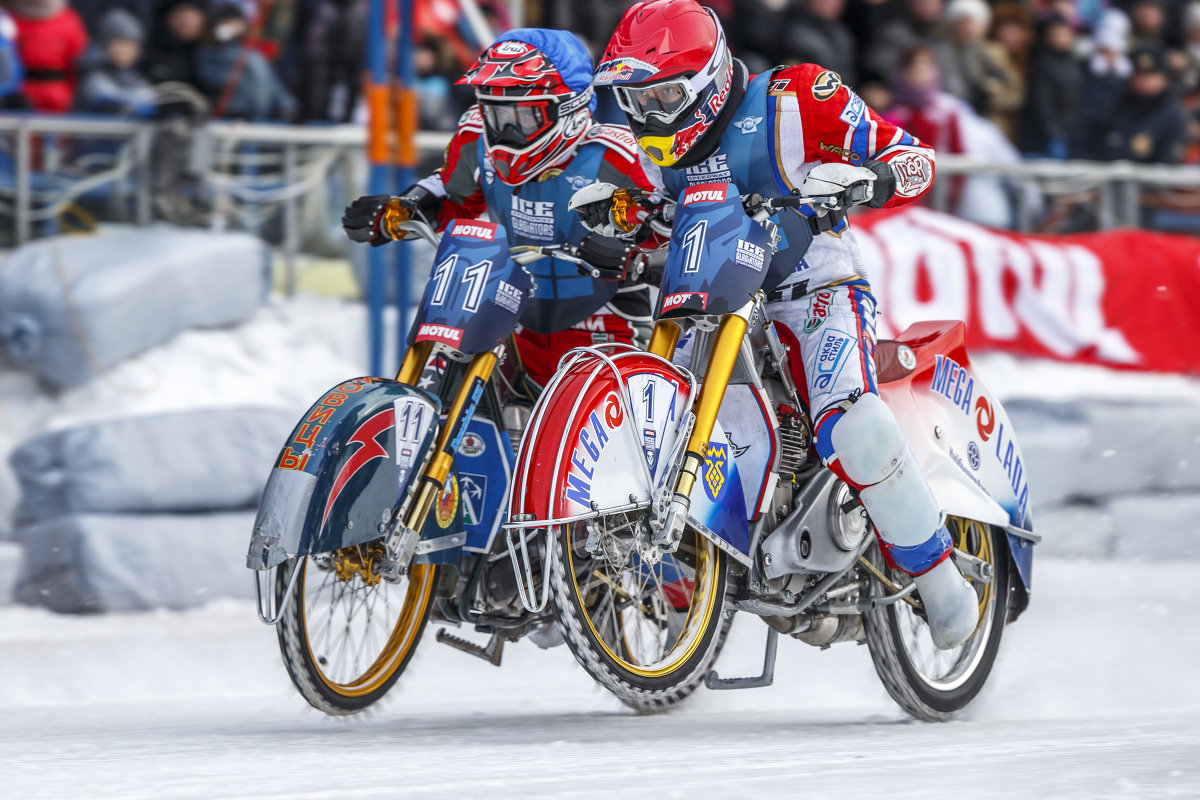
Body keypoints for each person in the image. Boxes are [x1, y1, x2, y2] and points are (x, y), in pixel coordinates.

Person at [574, 0, 981, 649]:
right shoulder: (648, 149)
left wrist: (869, 178)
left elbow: (913, 158)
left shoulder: (796, 97)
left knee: (858, 425)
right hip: (706, 291)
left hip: (807, 281)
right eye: (635, 101)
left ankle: (940, 580)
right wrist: (614, 221)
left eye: (662, 97)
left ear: (706, 81)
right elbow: (654, 216)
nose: (647, 116)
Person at [340, 29, 663, 388]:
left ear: (568, 110)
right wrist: (400, 211)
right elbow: (454, 198)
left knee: (585, 434)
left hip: (606, 321)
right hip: (508, 313)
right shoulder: (475, 136)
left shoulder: (618, 155)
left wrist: (630, 245)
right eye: (496, 115)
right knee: (448, 395)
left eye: (522, 117)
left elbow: (663, 227)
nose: (504, 131)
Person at [76, 8, 157, 115]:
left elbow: (149, 97)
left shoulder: (137, 78)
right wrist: (133, 108)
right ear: (104, 45)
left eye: (131, 45)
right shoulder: (94, 75)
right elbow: (103, 99)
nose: (124, 50)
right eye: (120, 43)